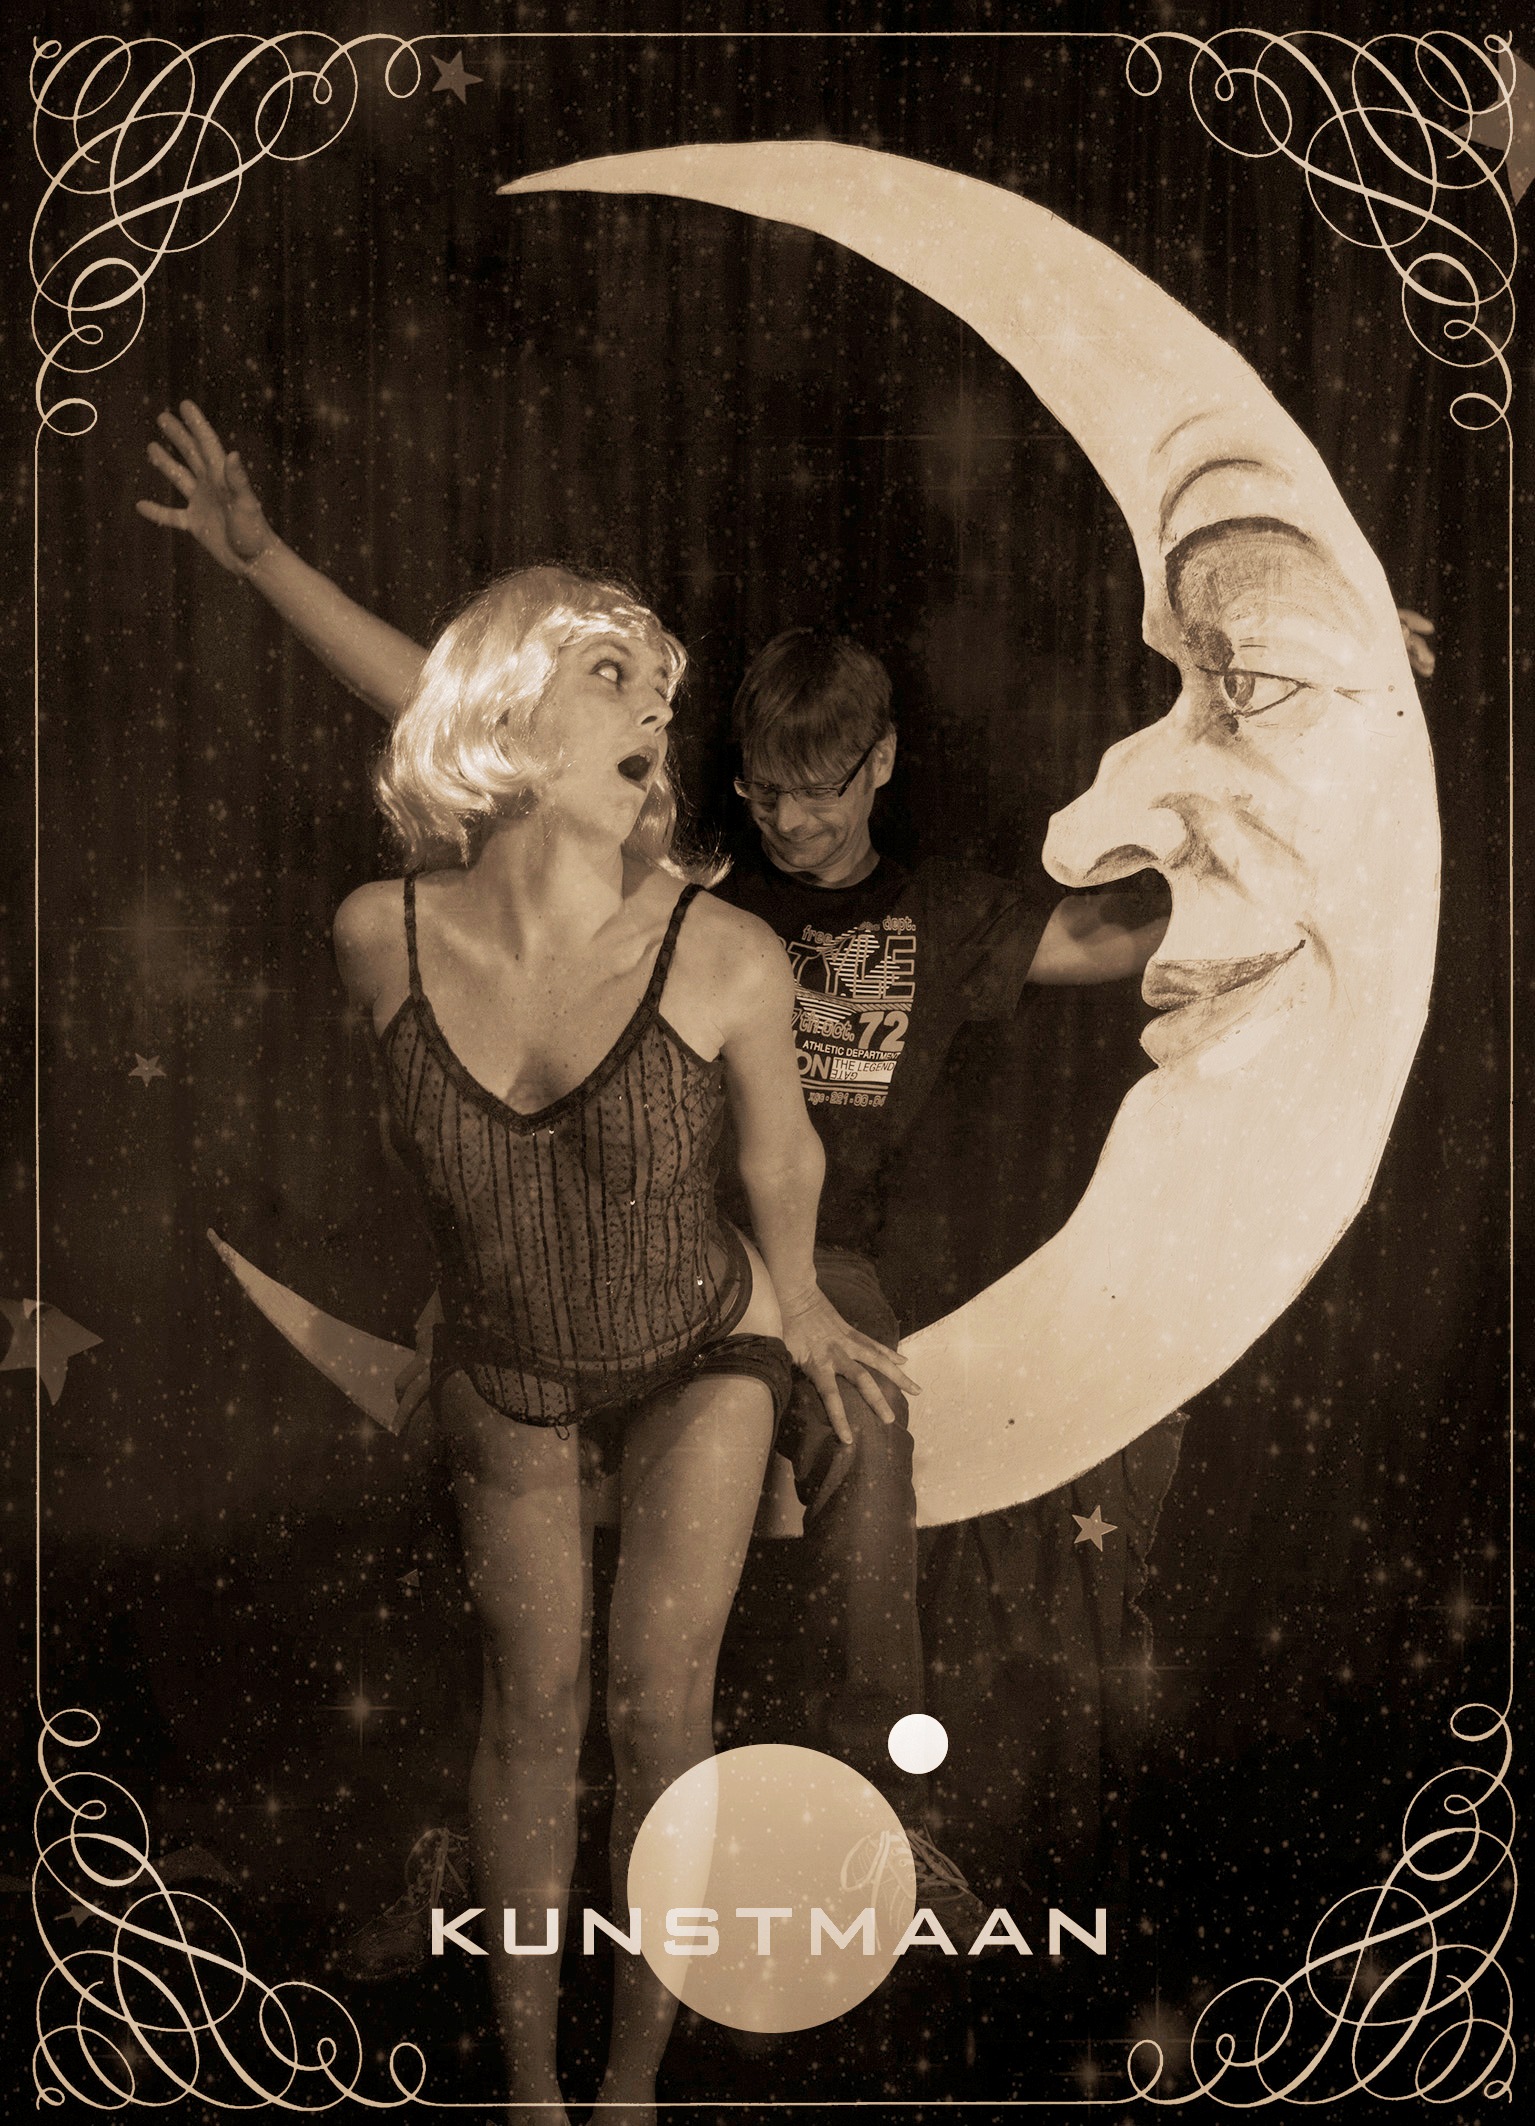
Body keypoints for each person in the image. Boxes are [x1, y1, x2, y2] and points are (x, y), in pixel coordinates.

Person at [137, 403, 1165, 1923]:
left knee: (867, 1427)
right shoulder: (688, 873)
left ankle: (878, 1809)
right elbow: (469, 720)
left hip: (805, 1267)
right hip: (618, 1225)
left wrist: (1341, 743)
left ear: (881, 766)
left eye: (825, 789)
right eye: (768, 791)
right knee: (483, 1446)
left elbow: (1125, 931)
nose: (795, 820)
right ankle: (503, 1828)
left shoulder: (948, 917)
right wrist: (265, 559)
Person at [142, 412, 913, 2123]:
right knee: (530, 1707)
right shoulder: (378, 936)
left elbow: (783, 1160)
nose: (657, 715)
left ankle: (629, 2086)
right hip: (507, 1360)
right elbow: (435, 694)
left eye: (660, 692)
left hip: (700, 1340)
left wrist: (798, 1299)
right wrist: (263, 561)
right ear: (508, 723)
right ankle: (530, 2095)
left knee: (655, 1709)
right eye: (616, 680)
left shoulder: (718, 944)